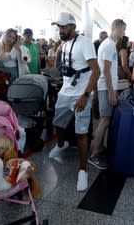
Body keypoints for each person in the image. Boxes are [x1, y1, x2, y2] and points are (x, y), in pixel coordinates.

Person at [47, 12, 100, 192]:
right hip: (65, 92)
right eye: (59, 27)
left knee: (81, 133)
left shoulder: (84, 43)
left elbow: (96, 71)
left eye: (63, 27)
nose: (60, 30)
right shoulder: (65, 43)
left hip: (81, 94)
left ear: (72, 27)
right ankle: (62, 144)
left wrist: (85, 96)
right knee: (58, 123)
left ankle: (82, 171)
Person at [88, 19, 126, 170]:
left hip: (107, 86)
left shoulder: (109, 45)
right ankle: (94, 154)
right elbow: (105, 71)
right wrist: (111, 93)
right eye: (123, 30)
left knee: (106, 120)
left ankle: (99, 148)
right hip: (105, 87)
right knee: (104, 120)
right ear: (116, 28)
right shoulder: (109, 45)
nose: (123, 33)